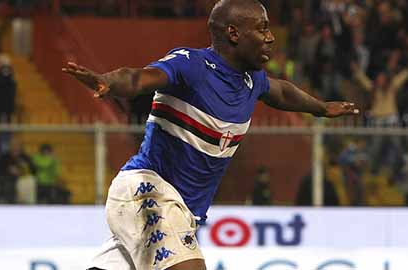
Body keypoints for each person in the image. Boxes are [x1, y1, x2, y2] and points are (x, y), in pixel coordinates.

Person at [62, 0, 359, 269]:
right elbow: (138, 77)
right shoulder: (191, 65)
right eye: (261, 28)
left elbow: (281, 91)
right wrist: (108, 82)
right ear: (233, 33)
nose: (270, 37)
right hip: (149, 190)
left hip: (178, 211)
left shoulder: (251, 80)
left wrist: (321, 108)